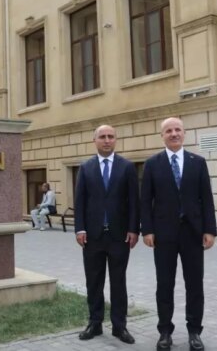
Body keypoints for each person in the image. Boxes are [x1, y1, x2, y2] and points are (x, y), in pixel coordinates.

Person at [140, 117, 217, 351]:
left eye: (177, 130)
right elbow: (146, 200)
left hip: (193, 234)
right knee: (164, 284)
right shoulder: (152, 164)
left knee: (195, 284)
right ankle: (165, 331)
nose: (174, 134)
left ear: (184, 133)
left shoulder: (198, 162)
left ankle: (195, 331)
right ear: (162, 135)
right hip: (163, 235)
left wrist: (210, 230)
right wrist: (148, 230)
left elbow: (206, 199)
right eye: (168, 131)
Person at [74, 125, 139, 344]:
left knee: (118, 282)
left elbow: (134, 202)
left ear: (116, 140)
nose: (107, 140)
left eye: (111, 136)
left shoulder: (127, 167)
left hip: (120, 236)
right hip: (92, 237)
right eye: (102, 137)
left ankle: (120, 327)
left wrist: (133, 229)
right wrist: (80, 228)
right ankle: (95, 323)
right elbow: (80, 201)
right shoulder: (85, 168)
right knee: (94, 282)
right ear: (95, 140)